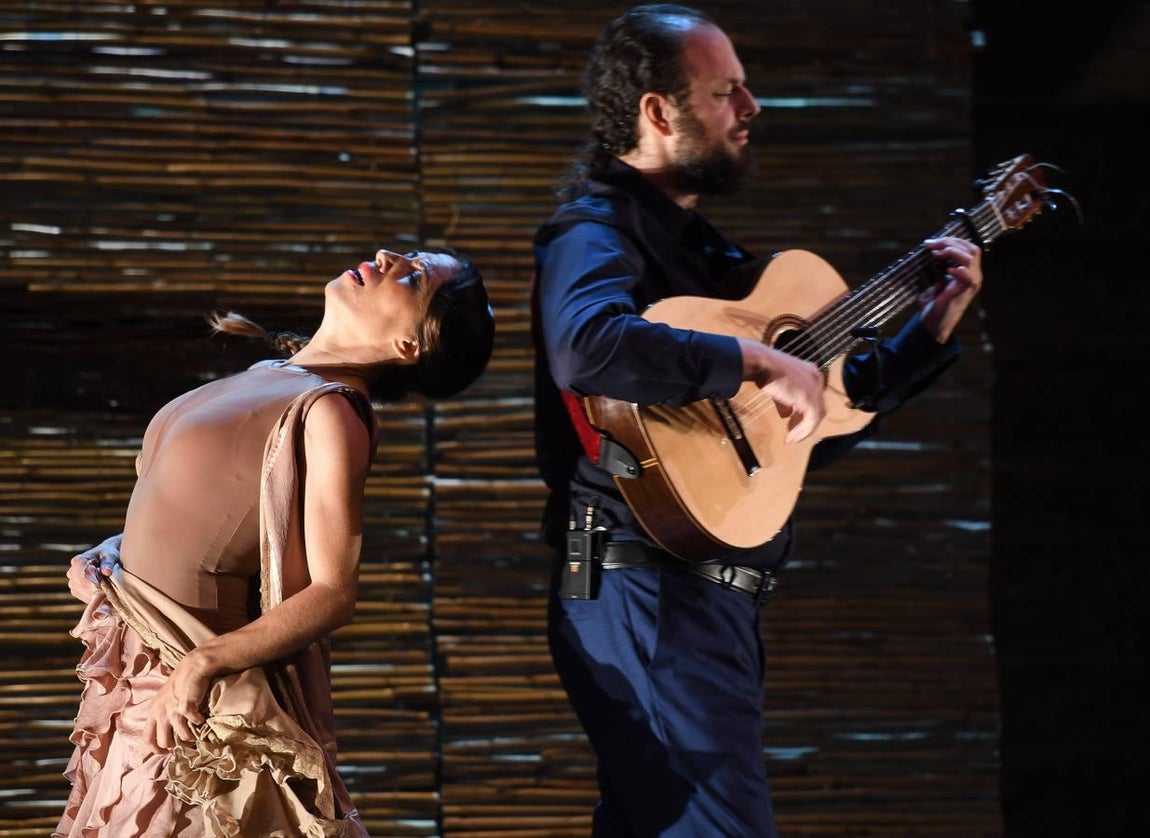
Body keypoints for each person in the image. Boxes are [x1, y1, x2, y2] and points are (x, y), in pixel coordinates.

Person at [530, 5, 984, 836]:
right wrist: (757, 360)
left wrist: (932, 326)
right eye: (725, 91)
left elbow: (796, 430)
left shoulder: (709, 257)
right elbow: (587, 346)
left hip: (702, 597)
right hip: (646, 585)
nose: (752, 108)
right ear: (658, 112)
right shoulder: (592, 230)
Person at [57, 246, 495, 837]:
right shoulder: (271, 377)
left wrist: (202, 666)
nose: (388, 255)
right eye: (403, 253)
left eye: (412, 276)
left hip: (196, 698)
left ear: (410, 346)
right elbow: (203, 511)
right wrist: (110, 551)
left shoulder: (332, 411)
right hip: (140, 674)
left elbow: (333, 591)